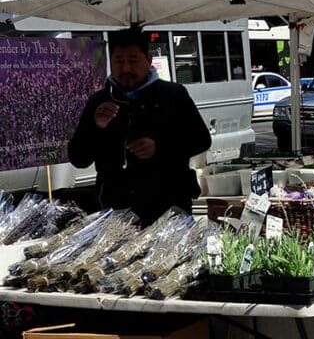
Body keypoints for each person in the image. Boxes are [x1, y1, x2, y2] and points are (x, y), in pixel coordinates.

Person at [69, 28, 211, 226]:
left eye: (133, 61)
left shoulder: (173, 94)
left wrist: (159, 148)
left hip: (169, 209)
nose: (126, 68)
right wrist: (96, 127)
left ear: (149, 60)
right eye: (119, 61)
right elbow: (78, 158)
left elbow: (201, 140)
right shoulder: (98, 102)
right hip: (116, 213)